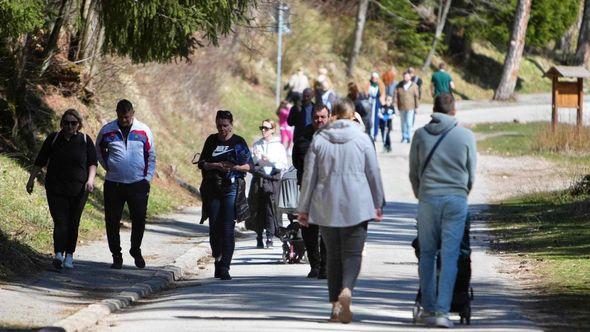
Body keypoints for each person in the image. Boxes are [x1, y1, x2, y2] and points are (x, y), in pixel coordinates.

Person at [298, 99, 384, 324]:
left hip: (326, 204)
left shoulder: (319, 140)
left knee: (333, 256)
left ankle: (336, 307)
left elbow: (309, 176)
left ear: (333, 115)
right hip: (357, 204)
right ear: (352, 115)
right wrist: (378, 202)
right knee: (353, 254)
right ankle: (347, 290)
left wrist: (304, 208)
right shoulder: (362, 139)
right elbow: (373, 172)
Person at [409, 93, 477, 328]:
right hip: (456, 199)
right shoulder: (466, 136)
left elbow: (413, 172)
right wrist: (461, 192)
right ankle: (442, 312)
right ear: (454, 110)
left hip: (428, 199)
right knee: (450, 256)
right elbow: (471, 173)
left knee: (427, 255)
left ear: (434, 109)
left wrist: (422, 194)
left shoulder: (419, 135)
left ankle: (428, 307)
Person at [26, 109, 97, 270]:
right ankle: (58, 254)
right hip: (55, 187)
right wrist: (31, 180)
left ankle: (69, 256)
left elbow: (93, 163)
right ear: (62, 123)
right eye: (66, 122)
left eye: (73, 123)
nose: (69, 126)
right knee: (60, 221)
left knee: (73, 222)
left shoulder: (85, 140)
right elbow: (40, 160)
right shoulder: (54, 138)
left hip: (79, 190)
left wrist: (90, 180)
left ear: (78, 124)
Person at [96, 99, 156, 269]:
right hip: (113, 184)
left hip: (138, 183)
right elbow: (98, 150)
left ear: (133, 114)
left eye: (127, 117)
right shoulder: (107, 130)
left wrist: (148, 178)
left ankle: (135, 249)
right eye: (122, 117)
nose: (124, 120)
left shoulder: (144, 130)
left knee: (139, 219)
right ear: (117, 113)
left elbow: (151, 156)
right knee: (112, 221)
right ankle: (116, 255)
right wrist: (108, 166)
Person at [197, 110, 252, 280]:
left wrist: (233, 167)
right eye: (219, 125)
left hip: (231, 188)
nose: (222, 129)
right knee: (214, 227)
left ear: (231, 124)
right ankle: (218, 258)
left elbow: (249, 166)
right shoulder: (211, 140)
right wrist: (215, 165)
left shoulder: (239, 142)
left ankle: (225, 266)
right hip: (213, 187)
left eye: (225, 126)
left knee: (228, 228)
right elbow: (202, 164)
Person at [292, 104, 330, 279]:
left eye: (323, 117)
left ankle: (325, 266)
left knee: (327, 229)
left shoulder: (334, 136)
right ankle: (314, 264)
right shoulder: (303, 136)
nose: (319, 120)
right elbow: (296, 160)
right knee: (308, 229)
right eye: (316, 117)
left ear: (329, 117)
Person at [250, 119, 288, 249]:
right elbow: (252, 162)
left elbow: (283, 164)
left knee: (271, 208)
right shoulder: (257, 145)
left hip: (272, 179)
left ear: (272, 130)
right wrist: (257, 159)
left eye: (266, 128)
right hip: (259, 179)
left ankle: (270, 236)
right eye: (262, 128)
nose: (263, 130)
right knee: (257, 207)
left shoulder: (278, 146)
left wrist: (269, 160)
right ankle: (259, 236)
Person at [394, 71, 420, 143]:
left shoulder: (414, 85)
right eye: (404, 76)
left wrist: (417, 107)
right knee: (403, 123)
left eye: (407, 76)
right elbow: (395, 96)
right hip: (401, 107)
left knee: (409, 122)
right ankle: (404, 137)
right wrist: (395, 106)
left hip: (411, 107)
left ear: (410, 77)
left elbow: (416, 97)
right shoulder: (399, 85)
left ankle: (409, 137)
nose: (405, 78)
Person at [365, 72, 385, 141]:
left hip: (376, 103)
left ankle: (375, 134)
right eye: (373, 78)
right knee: (369, 118)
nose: (374, 79)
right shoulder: (368, 84)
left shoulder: (380, 85)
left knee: (376, 119)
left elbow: (382, 94)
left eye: (375, 78)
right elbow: (366, 93)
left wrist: (382, 103)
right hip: (369, 102)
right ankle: (369, 133)